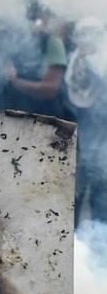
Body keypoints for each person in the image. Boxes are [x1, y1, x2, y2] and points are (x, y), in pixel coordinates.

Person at [65, 17, 107, 224]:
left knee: (101, 195)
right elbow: (75, 92)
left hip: (102, 136)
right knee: (77, 191)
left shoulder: (101, 59)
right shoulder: (77, 58)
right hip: (82, 136)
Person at [2, 5, 72, 120]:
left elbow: (50, 89)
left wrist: (17, 82)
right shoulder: (11, 43)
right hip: (15, 118)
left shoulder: (51, 41)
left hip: (45, 119)